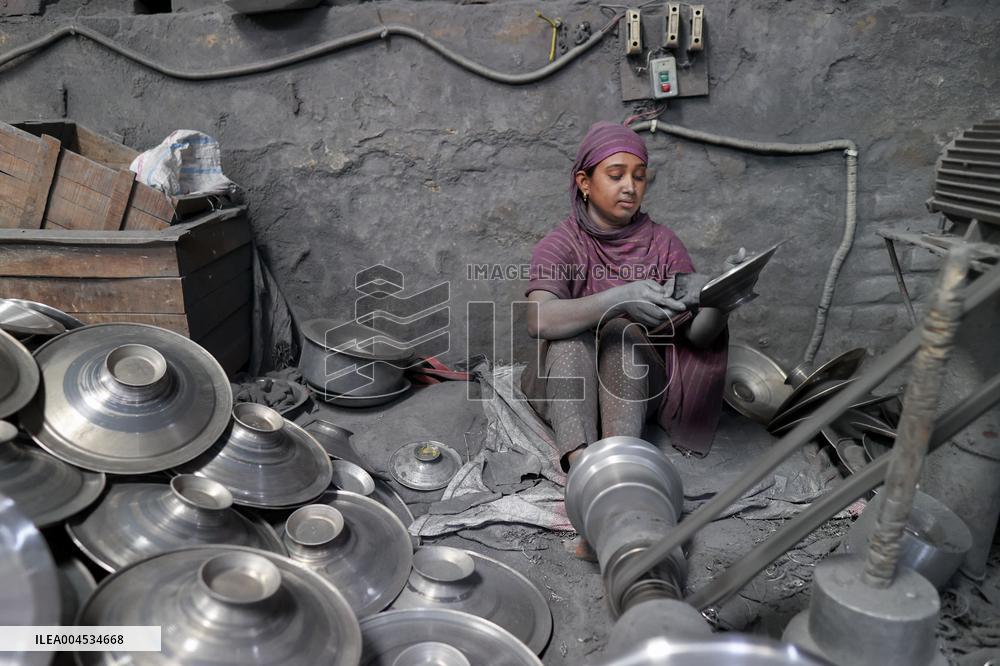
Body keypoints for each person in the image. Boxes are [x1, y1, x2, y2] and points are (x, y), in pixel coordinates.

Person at [522, 121, 741, 471]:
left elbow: (697, 337)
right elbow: (539, 319)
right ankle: (583, 469)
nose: (630, 187)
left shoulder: (662, 243)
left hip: (635, 388)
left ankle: (620, 461)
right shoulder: (560, 244)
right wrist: (618, 299)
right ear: (584, 183)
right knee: (570, 340)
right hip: (563, 388)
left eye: (639, 176)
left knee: (622, 334)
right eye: (616, 175)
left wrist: (723, 299)